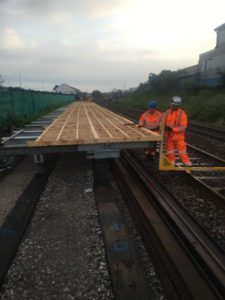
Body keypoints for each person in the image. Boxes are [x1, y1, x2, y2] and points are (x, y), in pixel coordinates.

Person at [164, 96, 192, 166]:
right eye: (173, 105)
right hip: (169, 137)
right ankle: (171, 163)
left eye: (176, 105)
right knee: (170, 152)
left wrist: (172, 129)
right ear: (171, 104)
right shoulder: (167, 112)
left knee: (182, 152)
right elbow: (163, 123)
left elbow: (183, 127)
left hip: (178, 137)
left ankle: (187, 163)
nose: (174, 106)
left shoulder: (182, 113)